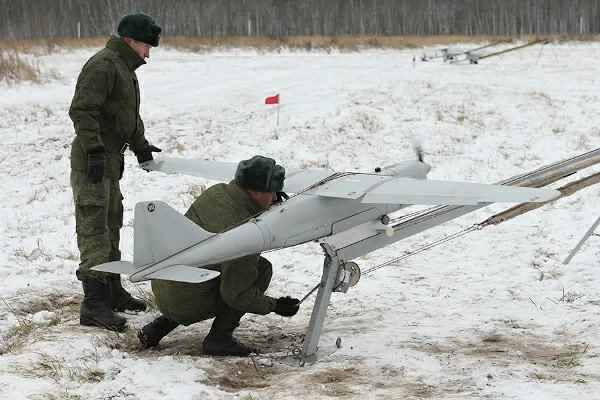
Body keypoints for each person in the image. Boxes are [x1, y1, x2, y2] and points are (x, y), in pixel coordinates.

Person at [138, 156, 301, 356]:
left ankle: (158, 327)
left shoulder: (216, 193)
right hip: (187, 299)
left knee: (206, 265)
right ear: (257, 192)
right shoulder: (245, 229)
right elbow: (237, 295)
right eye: (272, 192)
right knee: (261, 269)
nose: (275, 197)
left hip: (165, 284)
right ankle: (219, 339)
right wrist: (274, 306)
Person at [69, 13, 163, 331]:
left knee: (111, 225)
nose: (148, 53)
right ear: (130, 41)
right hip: (93, 161)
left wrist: (141, 146)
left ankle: (112, 291)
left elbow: (126, 118)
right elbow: (82, 109)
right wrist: (94, 149)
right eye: (146, 46)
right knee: (94, 227)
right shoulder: (104, 65)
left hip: (110, 162)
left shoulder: (124, 68)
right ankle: (94, 305)